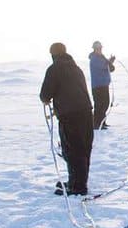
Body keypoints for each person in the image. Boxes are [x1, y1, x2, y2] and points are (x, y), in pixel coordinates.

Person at [39, 42, 93, 196]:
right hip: (86, 112)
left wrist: (46, 100)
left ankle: (77, 187)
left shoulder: (54, 69)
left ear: (53, 54)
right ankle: (76, 181)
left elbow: (45, 94)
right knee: (83, 149)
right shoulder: (76, 68)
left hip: (70, 115)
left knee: (72, 150)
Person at [89, 40, 115, 130]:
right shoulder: (94, 59)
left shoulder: (101, 57)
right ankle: (97, 123)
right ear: (94, 49)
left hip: (104, 85)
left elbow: (109, 68)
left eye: (100, 48)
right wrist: (110, 62)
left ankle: (102, 122)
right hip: (98, 86)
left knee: (105, 104)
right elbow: (104, 66)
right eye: (97, 48)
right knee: (99, 105)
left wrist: (110, 62)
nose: (99, 50)